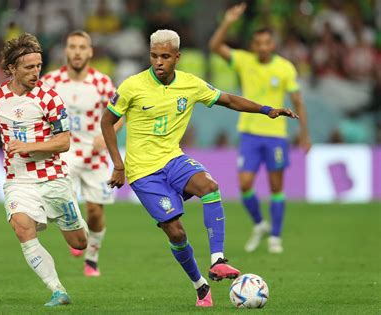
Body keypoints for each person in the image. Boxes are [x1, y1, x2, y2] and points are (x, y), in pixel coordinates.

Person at [101, 29, 298, 307]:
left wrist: (267, 110)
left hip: (173, 159)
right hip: (143, 172)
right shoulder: (132, 86)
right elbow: (106, 122)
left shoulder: (191, 84)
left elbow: (228, 100)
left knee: (210, 186)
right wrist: (118, 165)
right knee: (177, 234)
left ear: (177, 57)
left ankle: (218, 261)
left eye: (166, 56)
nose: (159, 62)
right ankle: (200, 286)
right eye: (154, 56)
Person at [0, 33, 88, 307]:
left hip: (53, 178)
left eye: (39, 66)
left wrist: (29, 146)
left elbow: (64, 141)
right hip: (18, 180)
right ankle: (58, 290)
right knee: (22, 228)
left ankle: (71, 218)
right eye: (29, 67)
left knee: (79, 243)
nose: (36, 72)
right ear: (11, 68)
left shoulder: (49, 98)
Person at [209, 3, 311, 254]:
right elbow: (214, 47)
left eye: (267, 43)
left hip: (276, 135)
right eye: (258, 43)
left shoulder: (285, 67)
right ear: (253, 45)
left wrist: (304, 134)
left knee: (276, 187)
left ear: (272, 44)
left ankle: (276, 236)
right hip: (249, 133)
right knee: (244, 184)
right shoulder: (243, 61)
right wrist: (228, 21)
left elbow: (297, 100)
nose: (263, 47)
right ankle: (260, 224)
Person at [41, 30, 122, 277]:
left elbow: (120, 115)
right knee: (62, 202)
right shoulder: (51, 81)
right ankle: (74, 233)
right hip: (64, 152)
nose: (77, 51)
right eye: (72, 46)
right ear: (66, 51)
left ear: (90, 52)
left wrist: (107, 135)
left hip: (95, 155)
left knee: (95, 212)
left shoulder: (102, 82)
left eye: (81, 47)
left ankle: (92, 258)